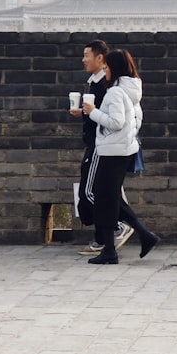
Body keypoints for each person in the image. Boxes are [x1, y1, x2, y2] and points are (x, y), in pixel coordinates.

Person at [82, 49, 160, 264]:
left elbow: (116, 122)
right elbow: (137, 119)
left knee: (103, 198)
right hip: (123, 149)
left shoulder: (116, 92)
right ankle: (144, 236)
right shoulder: (132, 89)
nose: (104, 71)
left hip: (112, 151)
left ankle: (110, 251)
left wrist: (93, 112)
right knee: (111, 197)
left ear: (113, 68)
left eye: (106, 67)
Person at [70, 40, 134, 255]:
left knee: (91, 192)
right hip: (99, 143)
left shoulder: (108, 87)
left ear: (100, 58)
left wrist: (93, 113)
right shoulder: (96, 83)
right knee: (104, 192)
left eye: (87, 55)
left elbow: (115, 120)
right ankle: (102, 239)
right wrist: (85, 112)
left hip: (103, 144)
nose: (83, 59)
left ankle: (117, 227)